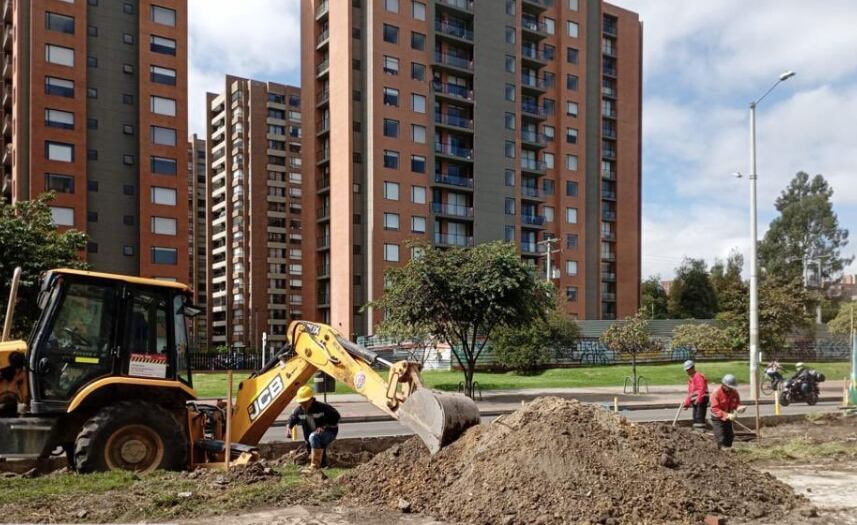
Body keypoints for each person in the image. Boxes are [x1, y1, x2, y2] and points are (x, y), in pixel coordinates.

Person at [287, 385, 341, 473]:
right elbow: (292, 418)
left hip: (329, 432)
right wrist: (289, 427)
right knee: (311, 441)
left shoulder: (323, 408)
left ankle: (315, 466)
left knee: (314, 437)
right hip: (311, 435)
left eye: (305, 402)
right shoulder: (299, 410)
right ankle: (323, 464)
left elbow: (337, 417)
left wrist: (324, 426)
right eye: (301, 402)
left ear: (311, 399)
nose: (303, 405)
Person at [709, 374, 746, 449]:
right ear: (724, 385)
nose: (731, 390)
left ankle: (728, 449)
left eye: (732, 388)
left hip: (728, 417)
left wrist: (739, 408)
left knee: (729, 436)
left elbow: (736, 404)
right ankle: (722, 451)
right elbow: (715, 409)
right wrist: (727, 415)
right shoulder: (716, 393)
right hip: (717, 418)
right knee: (720, 436)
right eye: (730, 388)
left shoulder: (734, 392)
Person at [681, 360, 709, 429]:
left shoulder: (698, 376)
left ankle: (700, 430)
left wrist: (698, 399)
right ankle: (697, 430)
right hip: (696, 401)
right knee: (695, 417)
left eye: (688, 370)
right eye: (686, 370)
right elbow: (690, 393)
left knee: (699, 417)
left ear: (692, 368)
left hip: (701, 399)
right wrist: (687, 404)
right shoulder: (691, 379)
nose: (687, 371)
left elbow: (701, 389)